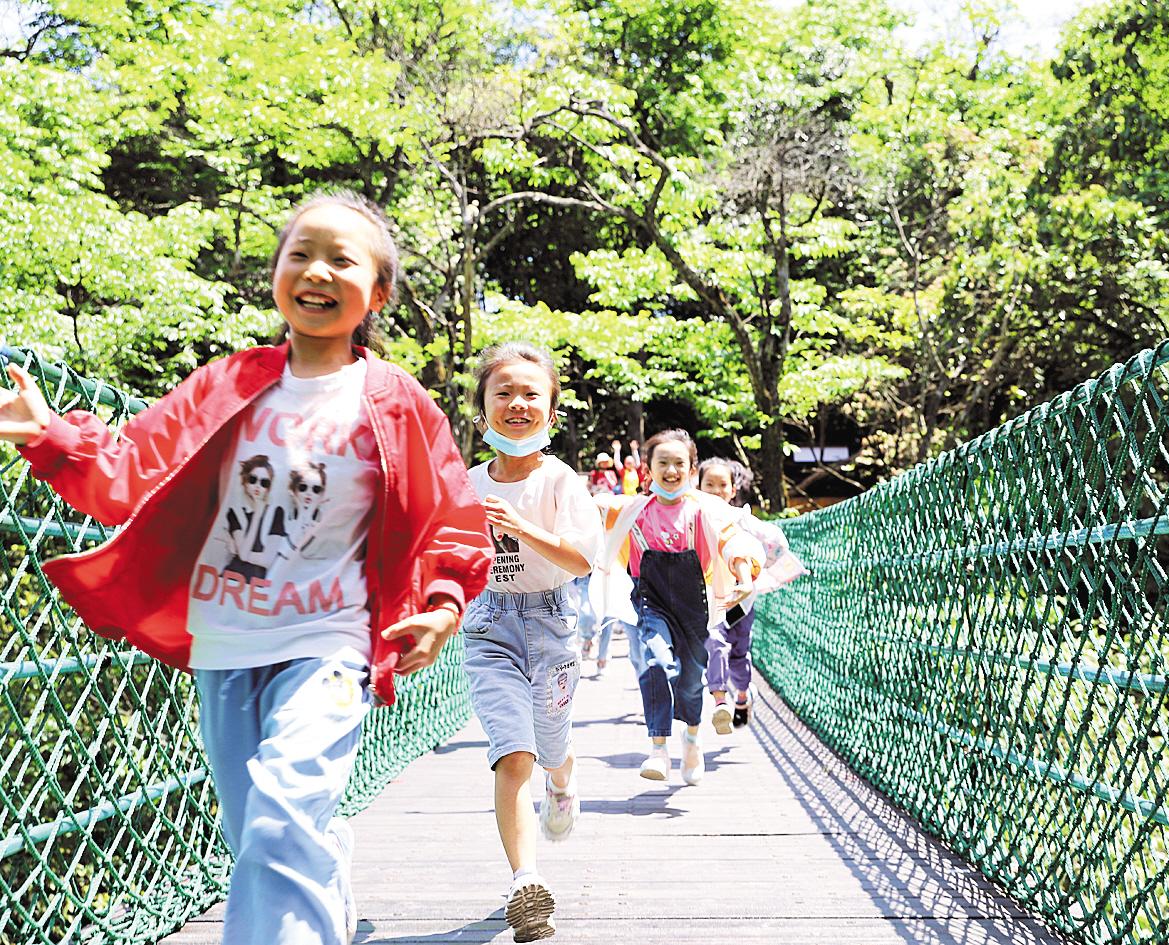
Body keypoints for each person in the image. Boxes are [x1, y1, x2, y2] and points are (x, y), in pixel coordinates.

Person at [0, 192, 493, 945]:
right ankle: (323, 865)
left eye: (340, 258)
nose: (315, 270)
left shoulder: (393, 401)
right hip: (227, 644)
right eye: (299, 254)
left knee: (279, 815)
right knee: (256, 834)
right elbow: (132, 472)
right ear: (275, 275)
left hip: (331, 642)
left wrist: (445, 599)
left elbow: (447, 513)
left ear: (378, 293)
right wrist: (51, 436)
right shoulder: (229, 383)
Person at [463, 341, 601, 943]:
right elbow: (448, 560)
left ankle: (563, 782)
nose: (517, 404)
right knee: (512, 749)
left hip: (552, 625)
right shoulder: (464, 485)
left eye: (530, 395)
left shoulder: (560, 480)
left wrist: (522, 527)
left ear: (550, 410)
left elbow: (580, 558)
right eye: (503, 393)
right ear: (483, 408)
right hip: (488, 627)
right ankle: (526, 882)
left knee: (549, 747)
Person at [594, 430, 761, 784]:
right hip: (650, 601)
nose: (671, 470)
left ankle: (691, 739)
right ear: (648, 470)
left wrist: (744, 578)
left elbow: (734, 543)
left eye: (679, 463)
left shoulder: (705, 511)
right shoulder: (632, 510)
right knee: (655, 662)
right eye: (662, 463)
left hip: (694, 606)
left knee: (688, 681)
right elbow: (586, 509)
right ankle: (657, 747)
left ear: (691, 469)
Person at [698, 457, 805, 730]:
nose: (715, 490)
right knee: (715, 641)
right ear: (697, 487)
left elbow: (775, 542)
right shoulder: (693, 518)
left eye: (722, 484)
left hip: (743, 600)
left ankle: (743, 695)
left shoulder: (742, 520)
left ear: (733, 490)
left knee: (738, 655)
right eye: (708, 484)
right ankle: (720, 701)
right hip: (712, 599)